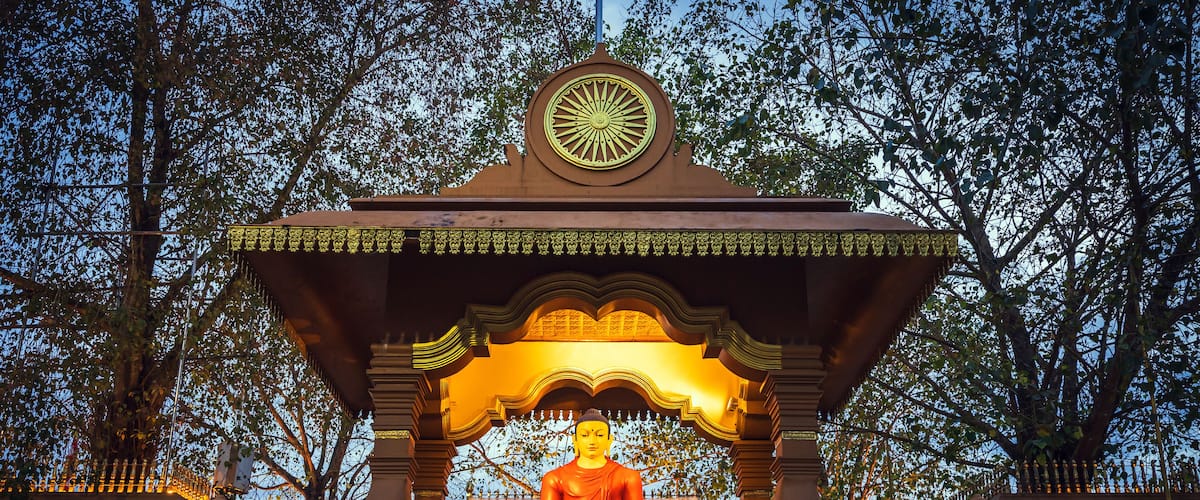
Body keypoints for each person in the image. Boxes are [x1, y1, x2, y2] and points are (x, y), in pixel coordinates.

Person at [540, 408, 644, 500]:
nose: (592, 441)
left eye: (599, 435)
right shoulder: (555, 478)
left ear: (609, 440)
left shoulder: (628, 477)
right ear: (575, 440)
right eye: (585, 435)